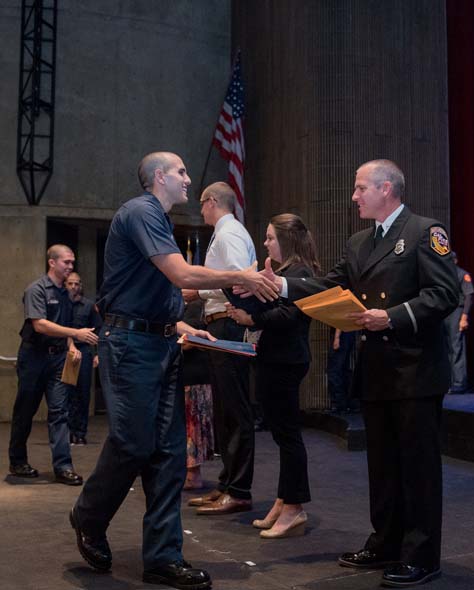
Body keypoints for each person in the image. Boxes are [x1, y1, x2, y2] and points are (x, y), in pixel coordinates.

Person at [69, 152, 278, 590]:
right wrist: (238, 275)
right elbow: (179, 272)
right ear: (159, 177)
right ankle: (87, 515)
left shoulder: (158, 220)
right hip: (131, 345)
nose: (189, 181)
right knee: (133, 442)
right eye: (181, 173)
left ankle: (163, 557)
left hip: (158, 342)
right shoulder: (142, 210)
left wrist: (184, 317)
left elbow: (169, 287)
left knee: (168, 454)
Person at [258, 160, 457, 587]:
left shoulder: (425, 231)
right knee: (382, 465)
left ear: (387, 188)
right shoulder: (359, 241)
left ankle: (422, 556)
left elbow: (445, 293)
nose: (354, 196)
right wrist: (283, 286)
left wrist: (394, 316)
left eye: (360, 187)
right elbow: (331, 286)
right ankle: (384, 543)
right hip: (378, 371)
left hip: (415, 370)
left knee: (417, 468)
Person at [227, 213, 319, 539]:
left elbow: (289, 315)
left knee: (288, 436)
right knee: (283, 436)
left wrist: (252, 319)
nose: (265, 243)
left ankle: (294, 507)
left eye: (269, 238)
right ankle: (284, 499)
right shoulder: (286, 272)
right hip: (275, 358)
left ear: (287, 240)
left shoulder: (300, 272)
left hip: (286, 360)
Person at [182, 182, 257, 516]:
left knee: (236, 411)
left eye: (201, 204)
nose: (200, 211)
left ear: (211, 201)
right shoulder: (225, 234)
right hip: (219, 322)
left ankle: (238, 490)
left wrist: (199, 292)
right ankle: (227, 484)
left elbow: (239, 282)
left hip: (228, 323)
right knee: (225, 410)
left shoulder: (229, 235)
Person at [8, 245, 98, 485]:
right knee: (25, 411)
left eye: (72, 262)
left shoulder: (65, 294)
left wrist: (70, 344)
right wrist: (76, 334)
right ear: (52, 262)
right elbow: (40, 325)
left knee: (60, 412)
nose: (70, 267)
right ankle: (17, 462)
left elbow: (63, 325)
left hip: (58, 359)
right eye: (66, 262)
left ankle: (63, 466)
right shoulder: (35, 290)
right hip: (34, 358)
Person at [180, 299, 215, 491]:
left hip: (195, 374)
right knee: (189, 426)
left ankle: (193, 473)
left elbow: (190, 342)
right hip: (188, 373)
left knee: (193, 426)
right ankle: (189, 472)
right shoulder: (184, 306)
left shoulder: (196, 306)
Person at [64, 272, 102, 446]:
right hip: (63, 351)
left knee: (83, 393)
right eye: (70, 284)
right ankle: (68, 432)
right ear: (65, 285)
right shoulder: (60, 303)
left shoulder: (88, 306)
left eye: (77, 284)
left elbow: (98, 330)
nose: (74, 287)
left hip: (84, 350)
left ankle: (80, 433)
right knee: (66, 394)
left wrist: (97, 354)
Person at [444, 251, 474, 394]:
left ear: (455, 260)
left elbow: (469, 296)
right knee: (446, 348)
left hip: (457, 311)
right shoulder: (443, 274)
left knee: (457, 347)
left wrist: (464, 317)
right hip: (445, 312)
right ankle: (448, 381)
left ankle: (459, 382)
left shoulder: (462, 274)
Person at [327, 328, 356, 412]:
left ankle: (339, 403)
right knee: (344, 369)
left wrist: (337, 337)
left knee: (334, 370)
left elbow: (340, 318)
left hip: (341, 333)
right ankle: (349, 402)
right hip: (348, 332)